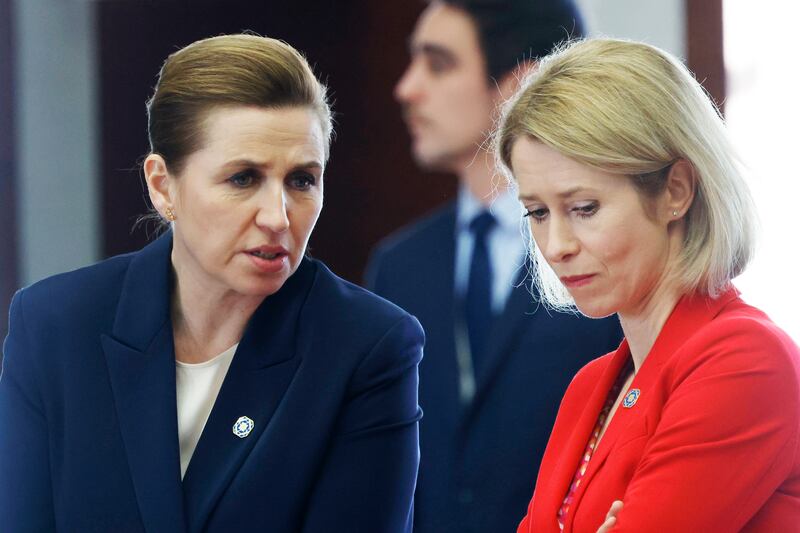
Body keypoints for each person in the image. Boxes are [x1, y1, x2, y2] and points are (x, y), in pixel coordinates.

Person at [0, 34, 423, 532]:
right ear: (162, 186)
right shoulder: (55, 323)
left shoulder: (366, 346)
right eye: (243, 178)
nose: (277, 217)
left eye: (302, 180)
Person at [497, 38, 800, 532]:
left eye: (584, 208)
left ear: (675, 191)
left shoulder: (745, 358)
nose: (555, 246)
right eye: (537, 212)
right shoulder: (590, 386)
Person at [364, 1, 623, 531]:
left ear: (520, 85)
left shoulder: (609, 250)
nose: (407, 88)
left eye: (438, 64)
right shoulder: (398, 265)